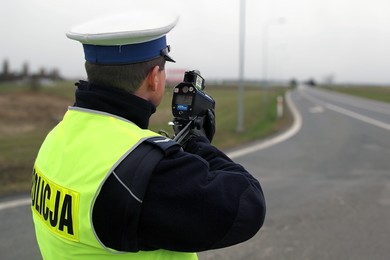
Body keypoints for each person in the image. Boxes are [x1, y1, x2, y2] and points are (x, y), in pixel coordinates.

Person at [31, 12, 266, 260]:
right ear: (154, 77)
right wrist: (197, 143)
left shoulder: (57, 137)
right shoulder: (143, 171)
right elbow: (247, 204)